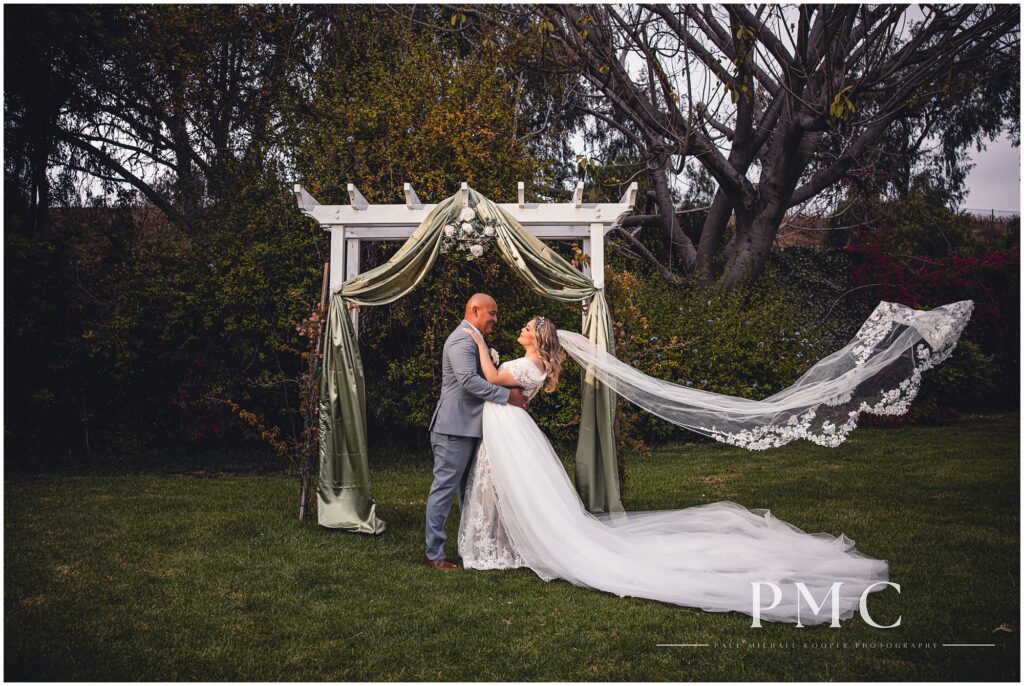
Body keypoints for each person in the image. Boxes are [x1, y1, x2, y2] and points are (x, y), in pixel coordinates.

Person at [455, 315, 892, 626]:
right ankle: (505, 542)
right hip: (510, 426)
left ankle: (506, 545)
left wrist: (476, 342)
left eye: (529, 327)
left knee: (508, 487)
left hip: (510, 427)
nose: (523, 329)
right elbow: (502, 382)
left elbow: (492, 376)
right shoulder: (531, 363)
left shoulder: (525, 364)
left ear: (538, 339)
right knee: (505, 488)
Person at [423, 293, 528, 571]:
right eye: (491, 313)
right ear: (474, 310)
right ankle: (434, 554)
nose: (495, 318)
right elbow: (469, 382)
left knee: (467, 491)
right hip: (453, 428)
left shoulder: (474, 340)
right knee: (444, 489)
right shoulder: (461, 340)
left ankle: (470, 546)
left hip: (470, 427)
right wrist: (508, 396)